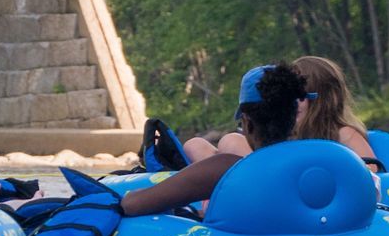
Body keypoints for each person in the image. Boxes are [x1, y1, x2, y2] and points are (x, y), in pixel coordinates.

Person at [120, 62, 309, 217]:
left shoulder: (226, 168)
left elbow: (133, 204)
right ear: (293, 120)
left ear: (247, 122)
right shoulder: (319, 159)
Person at [212, 54, 377, 167]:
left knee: (231, 142)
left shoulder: (343, 134)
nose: (292, 104)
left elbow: (373, 171)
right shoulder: (285, 135)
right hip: (278, 184)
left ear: (322, 101)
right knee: (222, 142)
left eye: (299, 97)